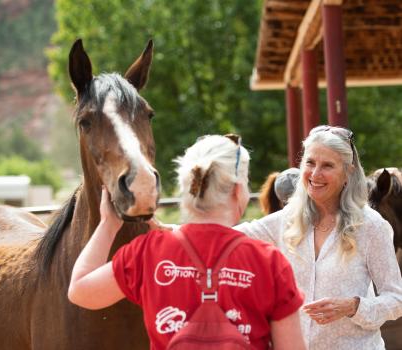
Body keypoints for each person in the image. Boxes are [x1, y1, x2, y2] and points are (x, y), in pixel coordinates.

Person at [68, 134, 306, 350]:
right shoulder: (268, 261)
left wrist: (108, 225)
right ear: (237, 190)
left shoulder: (148, 252)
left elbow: (80, 291)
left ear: (187, 189)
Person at [236, 125, 402, 349]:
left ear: (348, 173)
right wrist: (176, 231)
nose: (315, 174)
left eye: (327, 166)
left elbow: (396, 300)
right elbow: (229, 236)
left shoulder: (371, 226)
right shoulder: (286, 219)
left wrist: (353, 306)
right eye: (310, 163)